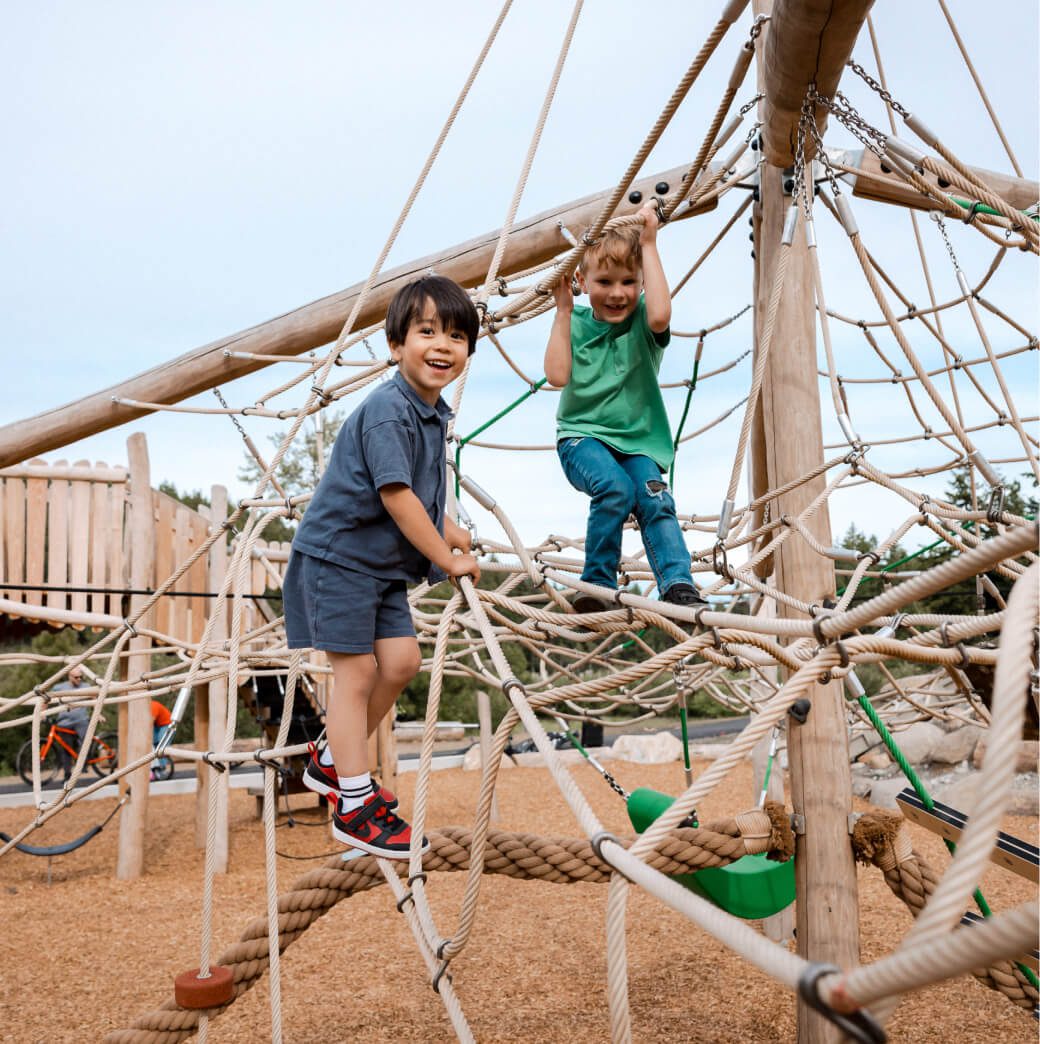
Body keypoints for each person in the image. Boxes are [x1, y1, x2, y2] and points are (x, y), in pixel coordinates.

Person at [282, 275, 481, 859]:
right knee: (359, 675)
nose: (443, 345)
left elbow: (421, 496)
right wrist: (446, 559)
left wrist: (453, 532)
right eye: (427, 332)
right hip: (337, 561)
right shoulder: (390, 412)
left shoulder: (429, 415)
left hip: (380, 570)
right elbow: (397, 498)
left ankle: (327, 757)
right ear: (396, 345)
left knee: (401, 661)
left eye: (457, 336)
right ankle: (353, 804)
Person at [544, 202, 708, 615]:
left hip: (637, 444)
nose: (617, 293)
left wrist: (649, 244)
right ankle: (597, 584)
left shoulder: (643, 322)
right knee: (614, 489)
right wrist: (563, 311)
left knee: (655, 502)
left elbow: (660, 313)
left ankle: (677, 584)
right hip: (583, 438)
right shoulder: (576, 321)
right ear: (581, 279)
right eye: (604, 281)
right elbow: (557, 376)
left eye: (628, 282)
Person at [54, 667, 90, 779]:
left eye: (80, 677)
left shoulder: (87, 687)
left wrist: (99, 713)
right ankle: (67, 774)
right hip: (64, 722)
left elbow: (97, 697)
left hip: (81, 720)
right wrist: (42, 714)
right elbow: (45, 698)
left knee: (85, 742)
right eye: (76, 677)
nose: (79, 679)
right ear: (69, 676)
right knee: (66, 749)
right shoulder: (59, 688)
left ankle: (83, 764)